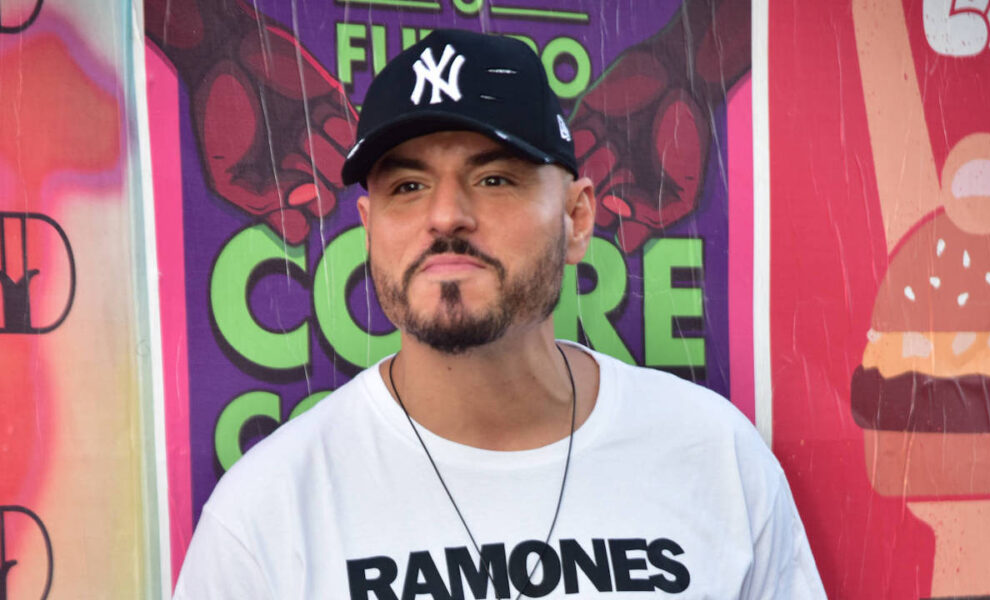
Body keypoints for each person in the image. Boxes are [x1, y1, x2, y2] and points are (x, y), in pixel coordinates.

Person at [174, 29, 826, 599]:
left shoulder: (713, 456)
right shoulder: (268, 511)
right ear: (369, 229)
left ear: (577, 219)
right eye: (408, 186)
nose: (445, 215)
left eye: (494, 179)